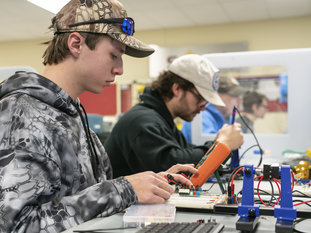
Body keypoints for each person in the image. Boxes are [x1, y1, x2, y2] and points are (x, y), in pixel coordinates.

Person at [0, 1, 198, 232]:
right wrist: (123, 190)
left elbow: (84, 194)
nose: (120, 69)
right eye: (113, 55)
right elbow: (16, 227)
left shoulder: (69, 112)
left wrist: (151, 184)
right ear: (76, 44)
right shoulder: (17, 116)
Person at [104, 54, 244, 178]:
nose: (202, 108)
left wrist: (217, 148)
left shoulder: (163, 121)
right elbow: (172, 166)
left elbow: (187, 154)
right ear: (177, 89)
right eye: (200, 99)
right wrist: (220, 146)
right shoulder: (143, 121)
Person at [181, 75, 246, 142]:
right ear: (217, 96)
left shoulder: (229, 118)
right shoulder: (201, 117)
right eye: (235, 95)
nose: (240, 100)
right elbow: (210, 149)